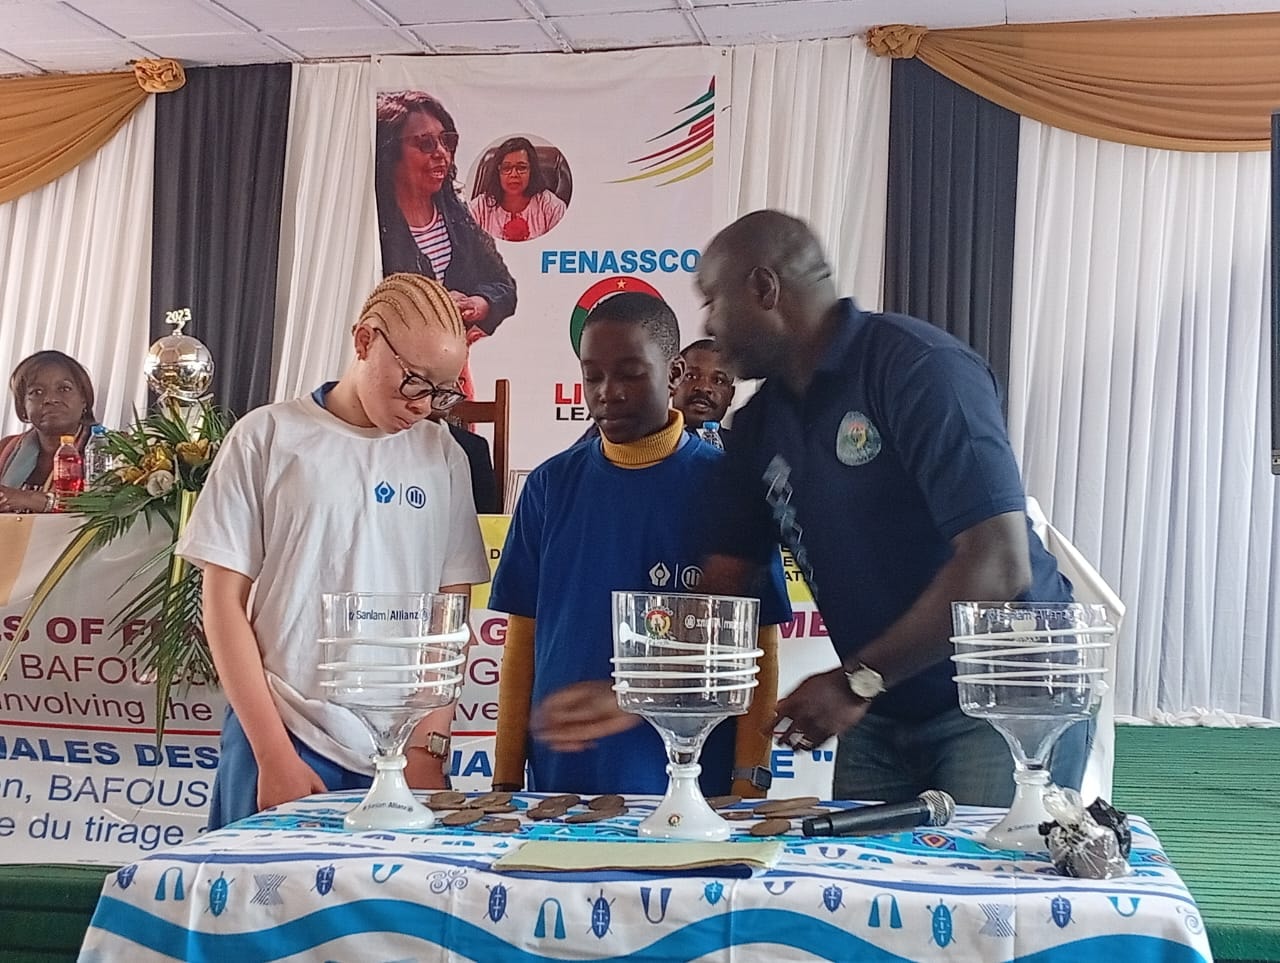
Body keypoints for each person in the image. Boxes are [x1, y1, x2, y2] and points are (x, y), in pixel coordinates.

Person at [695, 210, 1084, 808]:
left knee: (989, 871)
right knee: (865, 871)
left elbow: (999, 563)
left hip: (1004, 695)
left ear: (764, 288)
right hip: (881, 706)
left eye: (713, 301)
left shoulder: (919, 368)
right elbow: (727, 580)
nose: (708, 325)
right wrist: (637, 690)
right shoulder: (757, 427)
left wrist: (857, 680)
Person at [176, 273, 491, 830]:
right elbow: (222, 604)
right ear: (365, 340)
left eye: (442, 392)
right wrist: (272, 754)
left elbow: (449, 615)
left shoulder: (442, 455)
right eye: (414, 382)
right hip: (284, 733)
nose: (423, 406)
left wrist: (429, 746)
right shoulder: (266, 437)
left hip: (399, 748)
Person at [488, 292, 791, 798]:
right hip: (562, 788)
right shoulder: (548, 486)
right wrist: (505, 779)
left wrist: (749, 781)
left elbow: (759, 643)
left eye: (629, 374)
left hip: (693, 792)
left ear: (674, 374)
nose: (607, 393)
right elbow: (522, 640)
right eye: (592, 376)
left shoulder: (729, 487)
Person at [375, 90, 518, 395]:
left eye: (446, 141)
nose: (441, 153)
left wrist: (479, 305)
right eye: (425, 143)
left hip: (450, 383)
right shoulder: (371, 224)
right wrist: (438, 304)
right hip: (386, 383)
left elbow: (504, 287)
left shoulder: (457, 215)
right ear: (390, 152)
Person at [575, 338, 736, 446]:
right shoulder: (625, 434)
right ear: (674, 378)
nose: (703, 387)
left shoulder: (744, 450)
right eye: (691, 376)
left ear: (731, 395)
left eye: (718, 380)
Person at [0, 350, 96, 514]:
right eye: (36, 392)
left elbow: (110, 512)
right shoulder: (5, 449)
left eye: (64, 389)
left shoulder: (112, 450)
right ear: (23, 407)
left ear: (84, 399)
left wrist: (33, 500)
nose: (50, 399)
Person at [467, 136, 567, 242]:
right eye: (506, 168)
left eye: (521, 168)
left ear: (532, 171)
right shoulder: (479, 208)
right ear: (498, 172)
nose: (514, 174)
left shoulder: (552, 207)